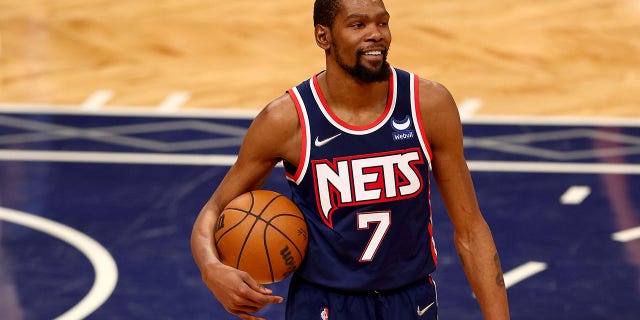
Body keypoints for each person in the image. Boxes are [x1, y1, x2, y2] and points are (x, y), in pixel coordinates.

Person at [191, 0, 510, 319]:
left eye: (382, 23)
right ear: (323, 36)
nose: (376, 34)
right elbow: (214, 210)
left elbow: (471, 230)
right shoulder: (287, 121)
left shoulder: (428, 105)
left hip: (410, 302)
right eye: (358, 25)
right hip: (323, 304)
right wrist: (211, 268)